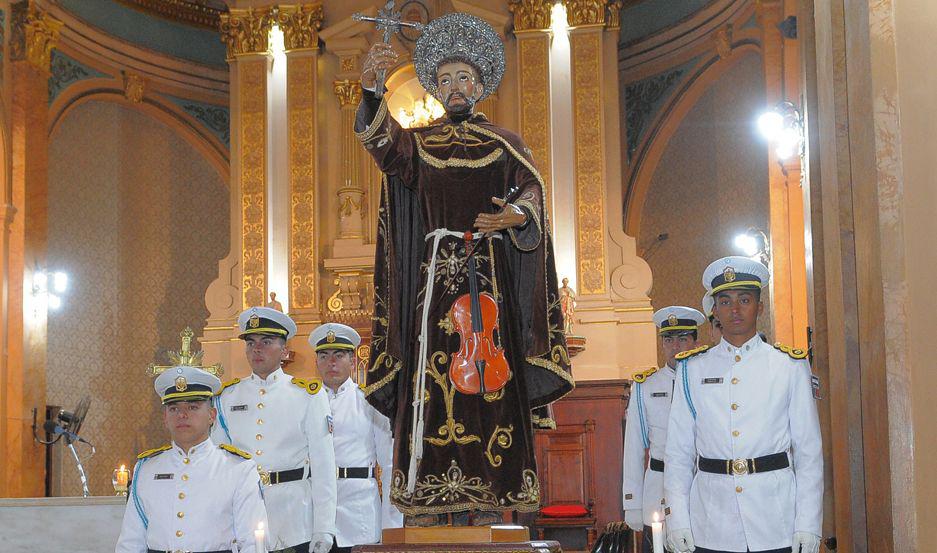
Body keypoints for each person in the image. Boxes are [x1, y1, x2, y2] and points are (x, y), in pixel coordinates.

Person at [355, 12, 573, 523]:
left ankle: (491, 497)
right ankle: (428, 501)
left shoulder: (504, 143)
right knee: (430, 384)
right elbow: (385, 147)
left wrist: (516, 214)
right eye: (446, 79)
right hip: (433, 284)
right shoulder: (421, 145)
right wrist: (370, 90)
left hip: (488, 276)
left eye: (464, 79)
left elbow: (532, 192)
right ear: (435, 86)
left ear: (479, 86)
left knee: (488, 385)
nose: (455, 88)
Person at [664, 256, 823, 553]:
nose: (735, 309)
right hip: (711, 522)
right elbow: (678, 452)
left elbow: (809, 452)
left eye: (745, 300)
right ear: (714, 311)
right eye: (725, 302)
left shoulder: (789, 366)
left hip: (776, 522)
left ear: (759, 307)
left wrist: (808, 523)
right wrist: (678, 520)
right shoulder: (691, 369)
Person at [212, 307, 337, 553]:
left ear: (284, 350)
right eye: (251, 343)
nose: (256, 349)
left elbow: (323, 466)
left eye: (266, 342)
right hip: (242, 515)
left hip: (293, 517)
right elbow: (219, 464)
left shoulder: (307, 394)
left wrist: (324, 528)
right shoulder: (226, 396)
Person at [116, 365, 267, 553]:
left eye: (192, 407)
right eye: (173, 408)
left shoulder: (238, 469)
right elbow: (131, 542)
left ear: (212, 415)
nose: (182, 415)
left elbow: (251, 543)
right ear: (165, 418)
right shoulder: (147, 468)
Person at [310, 323, 403, 553]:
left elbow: (389, 465)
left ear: (352, 361)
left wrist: (391, 528)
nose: (331, 362)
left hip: (358, 513)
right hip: (315, 517)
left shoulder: (370, 402)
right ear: (316, 362)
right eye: (324, 355)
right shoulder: (305, 402)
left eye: (338, 355)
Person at [622, 306, 705, 553]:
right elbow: (634, 447)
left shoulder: (709, 381)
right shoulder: (646, 386)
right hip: (659, 485)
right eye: (668, 339)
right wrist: (632, 502)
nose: (675, 345)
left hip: (700, 481)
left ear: (694, 341)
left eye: (682, 339)